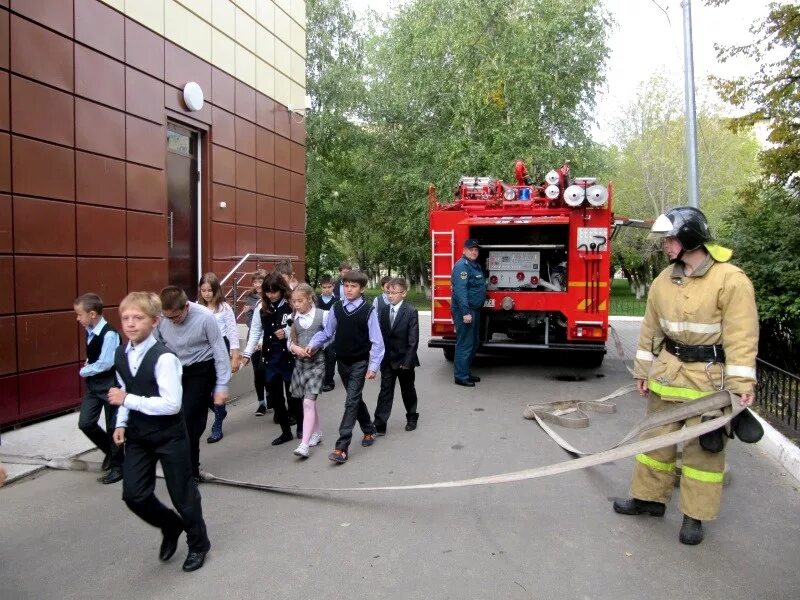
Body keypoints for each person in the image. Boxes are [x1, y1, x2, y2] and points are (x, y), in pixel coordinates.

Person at [612, 206, 758, 546]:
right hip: (667, 374)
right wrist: (644, 371)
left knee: (702, 452)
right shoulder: (665, 279)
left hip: (708, 381)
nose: (666, 245)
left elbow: (741, 334)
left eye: (672, 238)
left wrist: (741, 384)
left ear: (690, 238)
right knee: (654, 442)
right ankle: (648, 500)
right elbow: (650, 330)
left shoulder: (730, 279)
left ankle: (695, 517)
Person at [109, 292, 211, 572]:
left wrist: (126, 401)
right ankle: (170, 525)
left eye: (138, 318)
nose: (130, 324)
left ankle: (199, 543)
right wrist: (121, 421)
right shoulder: (121, 353)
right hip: (139, 436)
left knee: (183, 494)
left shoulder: (164, 358)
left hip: (169, 436)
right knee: (134, 494)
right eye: (126, 318)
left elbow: (170, 404)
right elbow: (125, 388)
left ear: (154, 321)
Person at [306, 270, 384, 464]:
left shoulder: (368, 311)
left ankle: (341, 447)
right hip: (342, 361)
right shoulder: (337, 307)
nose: (349, 289)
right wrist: (314, 343)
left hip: (360, 362)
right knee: (354, 398)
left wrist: (373, 366)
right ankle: (369, 429)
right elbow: (327, 332)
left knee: (350, 401)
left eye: (353, 286)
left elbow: (377, 341)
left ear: (362, 288)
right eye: (346, 285)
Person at [158, 286, 231, 481]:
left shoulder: (205, 317)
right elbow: (154, 345)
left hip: (200, 371)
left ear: (186, 308)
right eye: (168, 318)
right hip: (174, 369)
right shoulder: (161, 318)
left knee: (190, 420)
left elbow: (220, 351)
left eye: (176, 317)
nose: (172, 321)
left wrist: (222, 384)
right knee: (172, 418)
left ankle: (191, 471)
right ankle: (177, 463)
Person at [241, 272, 299, 445]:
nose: (271, 295)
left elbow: (302, 325)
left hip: (289, 357)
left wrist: (287, 332)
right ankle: (285, 432)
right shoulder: (262, 307)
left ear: (281, 289)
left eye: (274, 291)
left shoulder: (291, 306)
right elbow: (256, 332)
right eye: (267, 291)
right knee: (276, 398)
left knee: (293, 396)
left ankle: (302, 427)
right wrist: (246, 355)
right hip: (270, 357)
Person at [74, 293, 124, 484]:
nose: (78, 318)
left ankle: (119, 466)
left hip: (110, 384)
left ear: (92, 314)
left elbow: (105, 363)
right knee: (85, 423)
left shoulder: (109, 333)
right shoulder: (89, 328)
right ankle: (110, 452)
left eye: (79, 314)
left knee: (113, 426)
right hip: (94, 386)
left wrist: (84, 370)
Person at [197, 273, 241, 443]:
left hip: (220, 347)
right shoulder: (198, 307)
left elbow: (232, 332)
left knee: (217, 387)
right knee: (203, 387)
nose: (207, 294)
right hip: (203, 350)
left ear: (216, 290)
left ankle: (217, 425)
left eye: (210, 290)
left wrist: (235, 355)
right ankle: (219, 410)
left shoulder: (224, 308)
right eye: (204, 290)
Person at [373, 277, 420, 434]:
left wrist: (407, 361)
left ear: (403, 293)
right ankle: (379, 423)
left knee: (407, 390)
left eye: (394, 293)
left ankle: (412, 416)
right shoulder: (385, 310)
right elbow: (382, 336)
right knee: (385, 391)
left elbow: (413, 341)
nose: (390, 296)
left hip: (404, 360)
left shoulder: (411, 311)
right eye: (388, 292)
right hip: (388, 360)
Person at [286, 284, 328, 458]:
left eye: (300, 301)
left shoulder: (323, 315)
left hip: (317, 363)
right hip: (300, 363)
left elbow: (330, 335)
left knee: (308, 403)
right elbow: (289, 342)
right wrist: (295, 349)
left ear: (310, 299)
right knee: (308, 400)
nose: (296, 305)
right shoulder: (292, 317)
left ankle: (304, 444)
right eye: (294, 301)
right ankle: (316, 433)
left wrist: (317, 346)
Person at [450, 239, 486, 387]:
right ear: (464, 250)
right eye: (471, 249)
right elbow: (460, 292)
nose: (474, 252)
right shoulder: (461, 267)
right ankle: (460, 376)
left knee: (473, 342)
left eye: (476, 250)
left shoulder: (474, 265)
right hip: (465, 311)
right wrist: (465, 313)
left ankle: (466, 372)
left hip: (474, 310)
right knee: (465, 344)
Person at [242, 269, 270, 416]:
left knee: (269, 371)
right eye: (255, 281)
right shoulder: (250, 297)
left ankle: (271, 396)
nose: (257, 284)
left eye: (260, 281)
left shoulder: (271, 296)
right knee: (258, 372)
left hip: (268, 339)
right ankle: (261, 403)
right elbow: (250, 322)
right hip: (253, 338)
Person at [316, 274, 337, 392]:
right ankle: (320, 379)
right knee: (319, 357)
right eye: (324, 287)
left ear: (333, 286)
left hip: (333, 335)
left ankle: (329, 381)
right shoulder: (316, 300)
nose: (326, 289)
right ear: (321, 287)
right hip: (319, 333)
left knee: (330, 357)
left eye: (329, 287)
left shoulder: (337, 300)